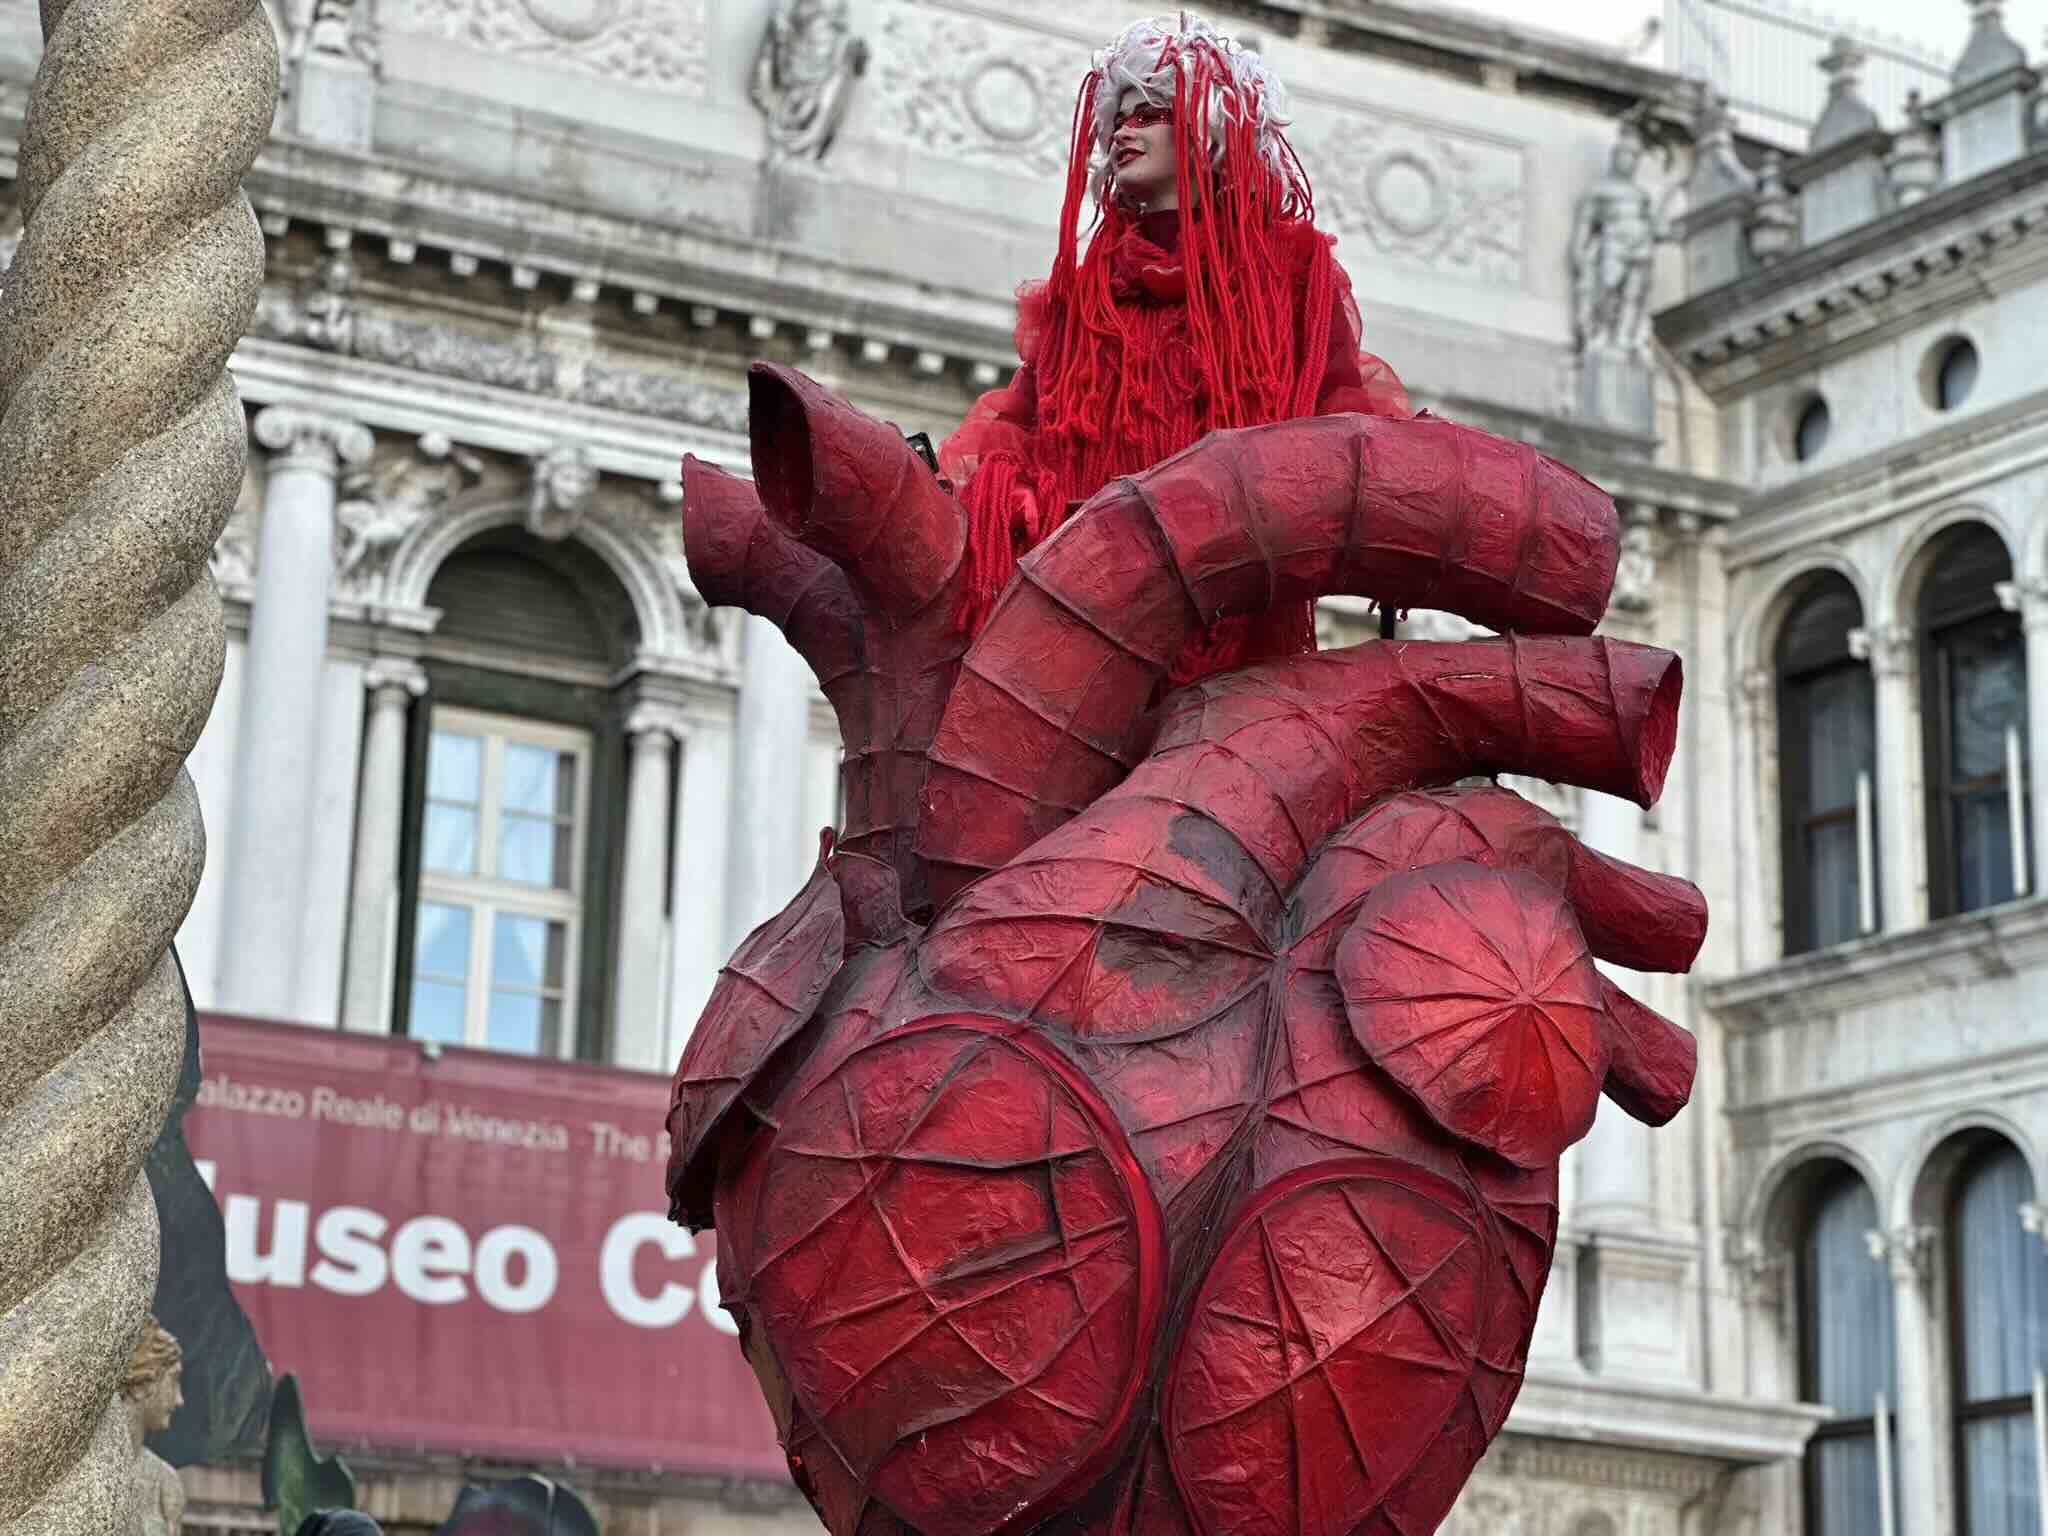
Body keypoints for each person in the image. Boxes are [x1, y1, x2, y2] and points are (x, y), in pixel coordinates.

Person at [941, 13, 1411, 682]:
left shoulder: (1290, 269)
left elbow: (1342, 415)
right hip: (1092, 608)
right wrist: (999, 499)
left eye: (1150, 113)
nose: (1124, 131)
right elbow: (1017, 427)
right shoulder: (1085, 291)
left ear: (1207, 128)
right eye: (1120, 118)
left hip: (1232, 608)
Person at [120, 1316, 186, 1536]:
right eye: (173, 1380)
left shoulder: (166, 1481)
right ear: (144, 1383)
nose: (179, 1400)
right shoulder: (89, 1466)